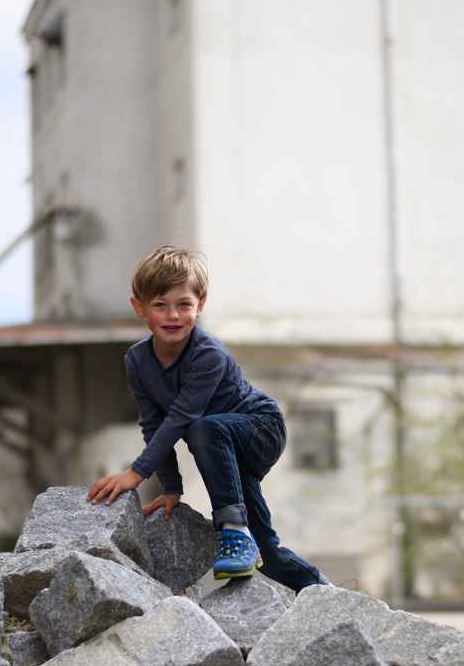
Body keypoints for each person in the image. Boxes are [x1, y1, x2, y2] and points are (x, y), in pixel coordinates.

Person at [87, 245, 326, 592]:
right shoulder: (137, 361)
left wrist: (135, 473)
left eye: (184, 304)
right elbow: (154, 423)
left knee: (202, 426)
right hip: (221, 449)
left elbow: (181, 418)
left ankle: (233, 532)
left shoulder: (207, 354)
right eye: (160, 304)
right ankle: (326, 593)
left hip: (260, 429)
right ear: (138, 307)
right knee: (269, 553)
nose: (173, 315)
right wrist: (170, 487)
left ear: (200, 304)